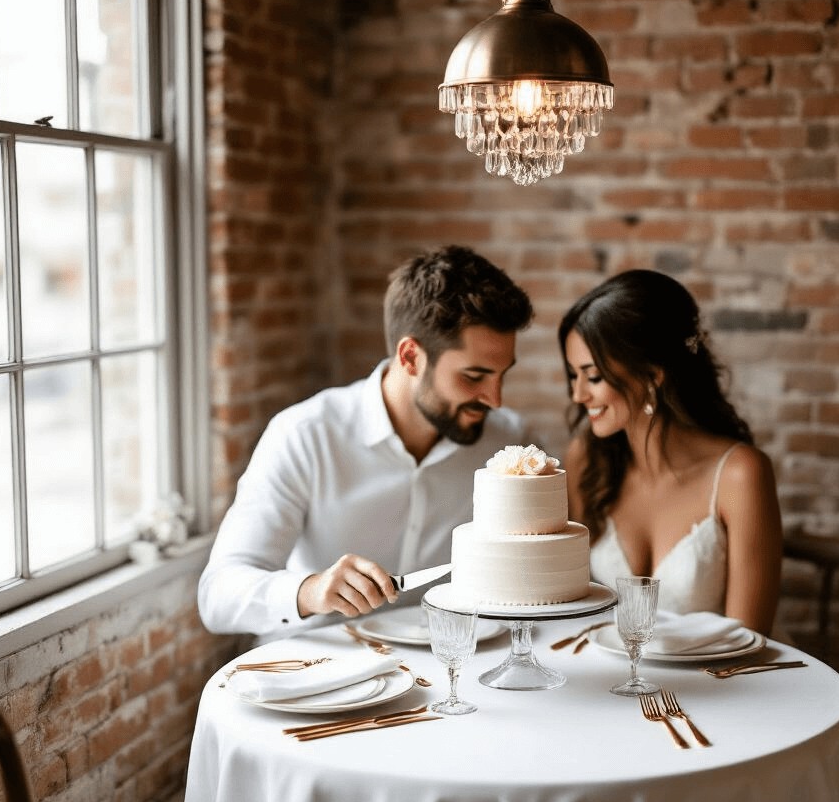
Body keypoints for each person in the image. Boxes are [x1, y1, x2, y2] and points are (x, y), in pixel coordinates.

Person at [199, 245, 535, 639]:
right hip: (315, 677)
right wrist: (310, 591)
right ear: (410, 357)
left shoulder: (510, 447)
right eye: (474, 377)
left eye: (501, 375)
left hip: (452, 680)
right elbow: (217, 596)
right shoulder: (306, 436)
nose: (494, 399)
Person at [558, 269, 782, 635]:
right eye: (573, 375)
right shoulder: (587, 459)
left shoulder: (740, 474)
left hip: (726, 682)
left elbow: (749, 641)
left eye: (593, 377)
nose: (578, 395)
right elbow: (574, 614)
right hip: (619, 681)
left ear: (652, 374)